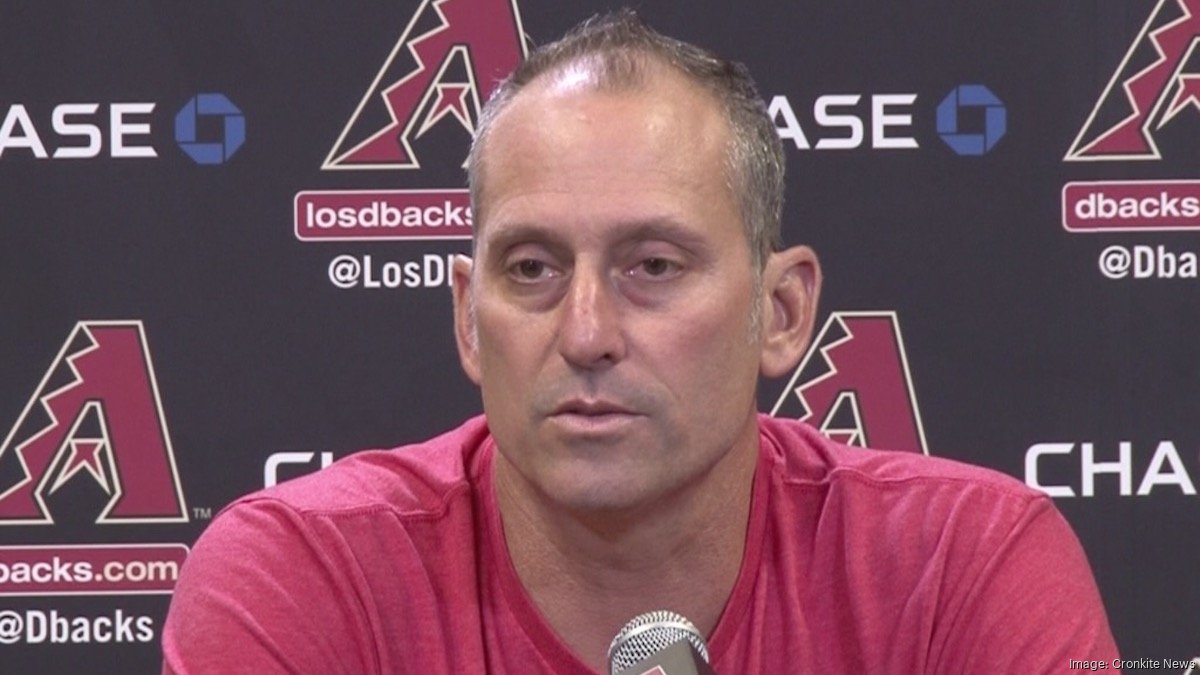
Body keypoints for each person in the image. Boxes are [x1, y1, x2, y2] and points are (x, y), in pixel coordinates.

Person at [162, 10, 1119, 674]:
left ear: (781, 312)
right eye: (531, 268)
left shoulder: (966, 565)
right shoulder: (302, 576)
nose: (585, 332)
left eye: (652, 266)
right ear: (466, 316)